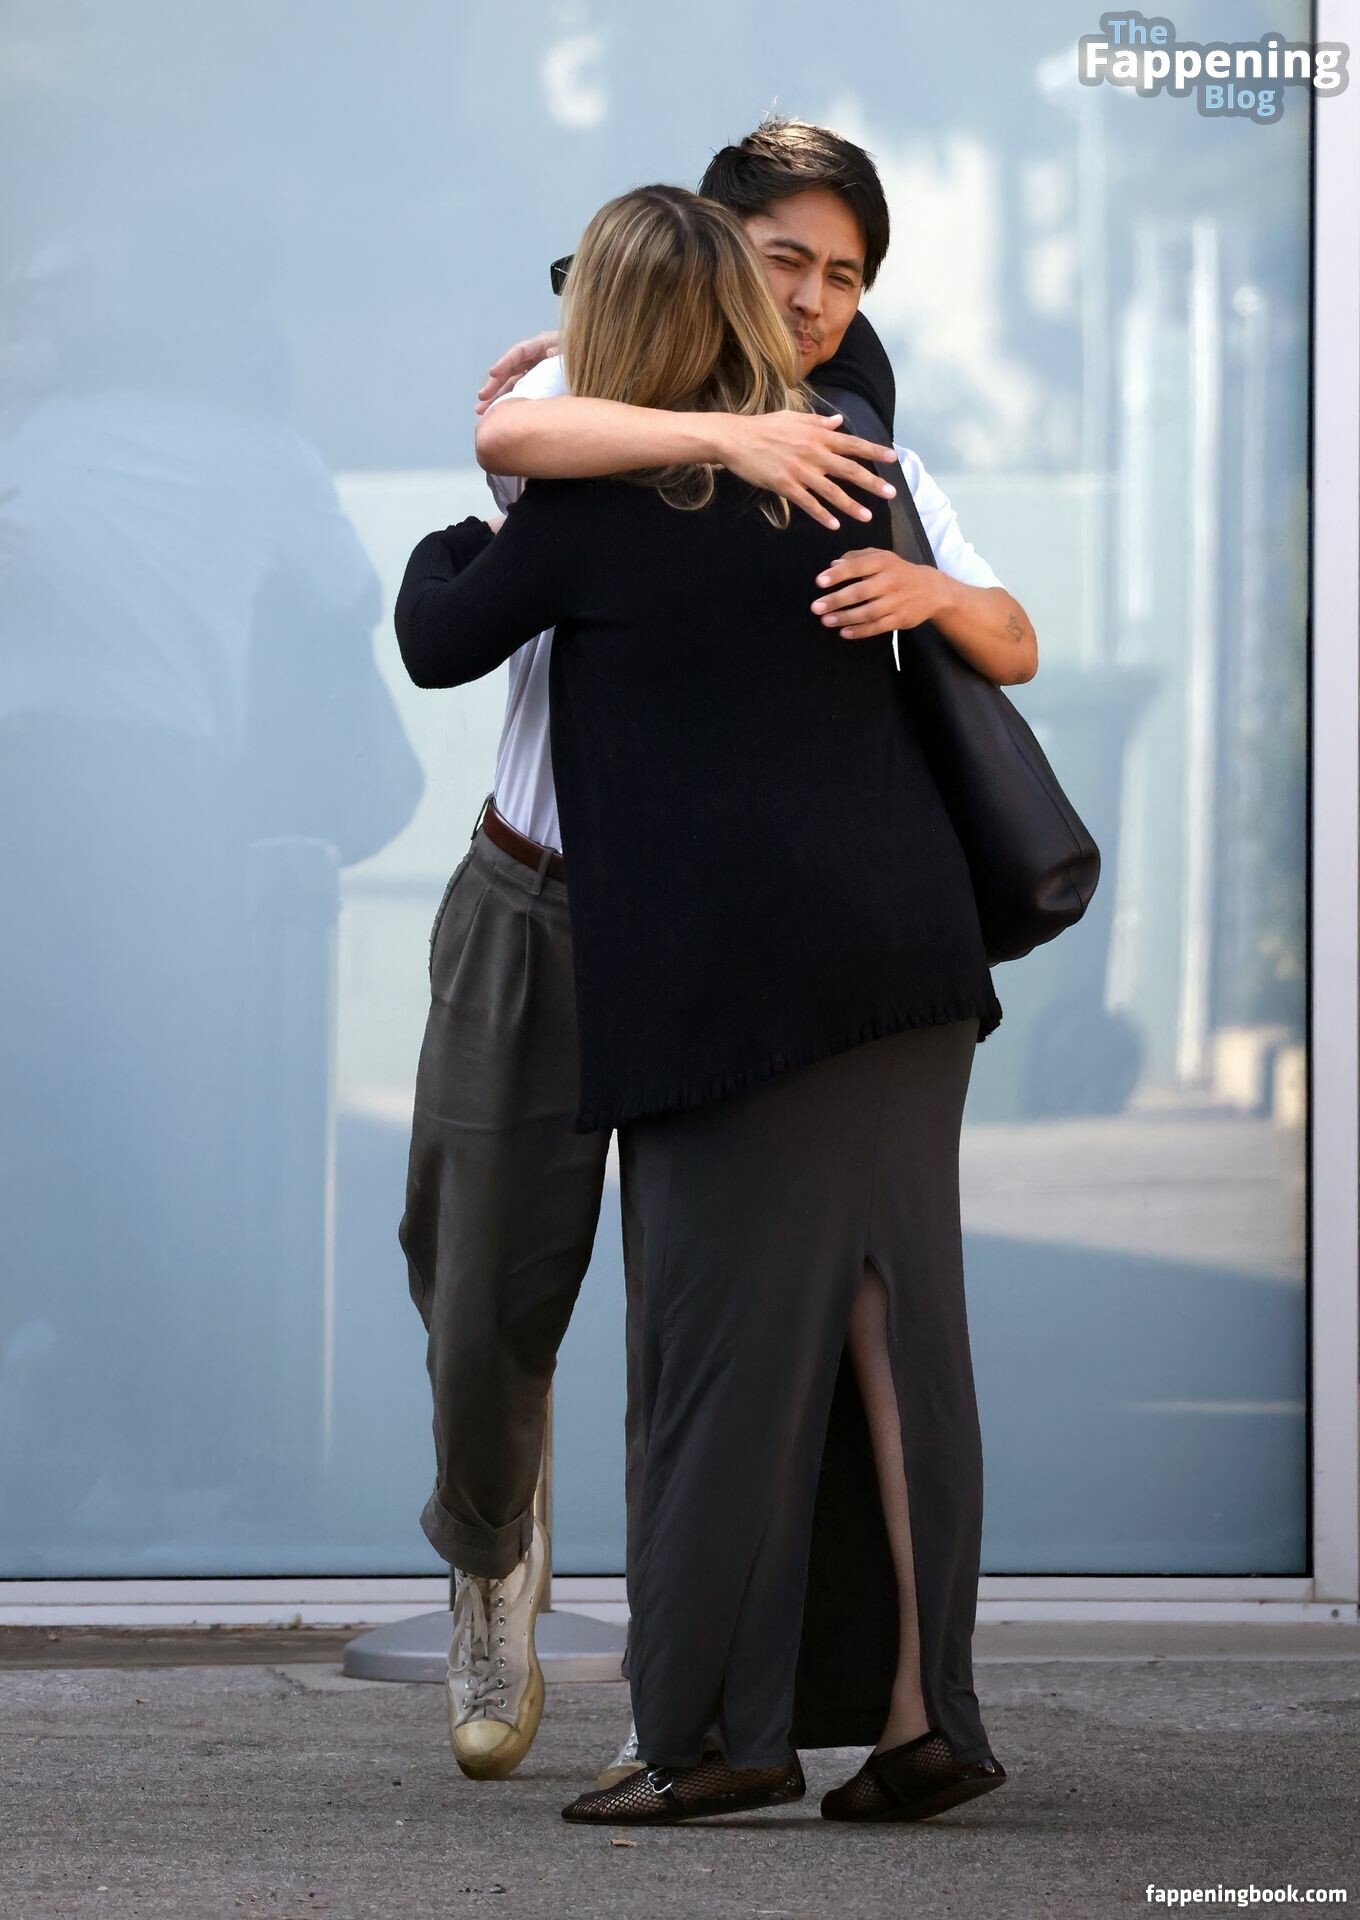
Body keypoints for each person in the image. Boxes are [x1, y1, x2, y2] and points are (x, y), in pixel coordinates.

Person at [395, 179, 1036, 1825]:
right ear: (742, 295)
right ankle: (930, 1720)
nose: (814, 297)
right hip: (910, 967)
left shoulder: (597, 498)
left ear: (606, 324)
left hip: (733, 987)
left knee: (711, 1362)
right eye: (787, 267)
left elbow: (442, 628)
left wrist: (460, 539)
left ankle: (708, 1738)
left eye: (843, 273)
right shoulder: (850, 459)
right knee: (901, 1349)